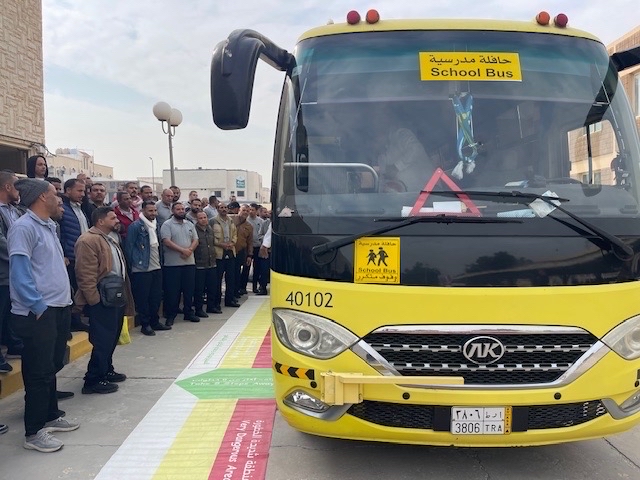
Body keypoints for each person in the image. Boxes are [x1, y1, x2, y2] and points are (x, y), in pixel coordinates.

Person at [9, 179, 78, 453]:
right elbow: (20, 272)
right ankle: (34, 431)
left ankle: (50, 415)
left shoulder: (49, 226)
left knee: (51, 365)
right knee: (38, 371)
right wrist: (37, 306)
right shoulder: (23, 228)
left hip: (58, 307)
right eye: (53, 193)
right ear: (41, 197)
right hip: (39, 311)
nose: (57, 197)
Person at [74, 207, 133, 395]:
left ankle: (106, 370)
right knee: (102, 340)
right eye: (113, 217)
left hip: (114, 297)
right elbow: (85, 274)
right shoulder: (88, 240)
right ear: (100, 221)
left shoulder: (109, 238)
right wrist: (94, 301)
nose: (117, 220)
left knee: (112, 337)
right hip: (101, 299)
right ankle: (93, 380)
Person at [124, 201, 171, 335]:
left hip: (156, 267)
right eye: (150, 211)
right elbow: (129, 247)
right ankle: (145, 325)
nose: (153, 213)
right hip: (142, 268)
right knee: (143, 298)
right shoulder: (135, 226)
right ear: (143, 210)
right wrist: (134, 264)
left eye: (155, 210)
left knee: (155, 297)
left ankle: (155, 322)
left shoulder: (156, 226)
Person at [0, 171, 24, 373]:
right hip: (3, 272)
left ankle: (14, 344)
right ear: (7, 187)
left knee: (10, 313)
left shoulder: (14, 211)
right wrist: (20, 255)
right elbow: (2, 241)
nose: (19, 191)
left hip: (13, 273)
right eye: (16, 185)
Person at [60, 178, 90, 333]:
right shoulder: (63, 209)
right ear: (68, 190)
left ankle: (77, 319)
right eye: (79, 190)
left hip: (83, 257)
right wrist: (64, 254)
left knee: (80, 289)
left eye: (83, 191)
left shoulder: (80, 208)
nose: (82, 194)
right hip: (70, 257)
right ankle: (71, 323)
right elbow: (60, 234)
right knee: (71, 290)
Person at [160, 202, 199, 324]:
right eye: (178, 209)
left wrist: (190, 250)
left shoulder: (189, 224)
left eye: (182, 209)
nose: (181, 211)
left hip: (189, 263)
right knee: (173, 292)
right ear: (173, 211)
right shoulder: (167, 224)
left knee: (189, 290)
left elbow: (196, 240)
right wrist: (183, 250)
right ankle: (171, 315)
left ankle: (188, 313)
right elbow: (166, 241)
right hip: (173, 265)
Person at [210, 202, 239, 309]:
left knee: (231, 278)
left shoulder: (231, 220)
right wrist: (221, 244)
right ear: (217, 209)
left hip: (230, 251)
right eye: (221, 207)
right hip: (219, 253)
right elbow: (211, 236)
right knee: (218, 279)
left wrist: (232, 243)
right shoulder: (213, 221)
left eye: (225, 207)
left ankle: (229, 300)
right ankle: (216, 302)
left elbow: (235, 234)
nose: (224, 209)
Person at [193, 211, 219, 316]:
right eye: (201, 218)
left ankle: (211, 306)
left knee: (212, 287)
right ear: (197, 219)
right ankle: (199, 309)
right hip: (199, 263)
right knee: (199, 289)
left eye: (205, 217)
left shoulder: (209, 229)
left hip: (211, 262)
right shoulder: (194, 230)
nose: (203, 220)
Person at [234, 204, 253, 298]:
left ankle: (236, 291)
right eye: (243, 210)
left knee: (238, 272)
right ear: (239, 210)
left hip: (241, 251)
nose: (245, 212)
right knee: (231, 274)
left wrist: (250, 255)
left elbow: (250, 242)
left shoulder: (249, 226)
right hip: (229, 250)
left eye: (247, 211)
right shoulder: (231, 220)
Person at [246, 204, 265, 294]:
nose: (250, 212)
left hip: (258, 246)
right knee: (246, 267)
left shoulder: (261, 221)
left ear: (257, 211)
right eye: (249, 210)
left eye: (252, 210)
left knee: (257, 268)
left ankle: (255, 287)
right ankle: (243, 287)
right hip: (248, 247)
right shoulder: (246, 220)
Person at [257, 223, 272, 295]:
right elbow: (267, 236)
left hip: (278, 251)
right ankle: (263, 288)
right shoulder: (266, 223)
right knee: (264, 270)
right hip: (267, 251)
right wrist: (264, 245)